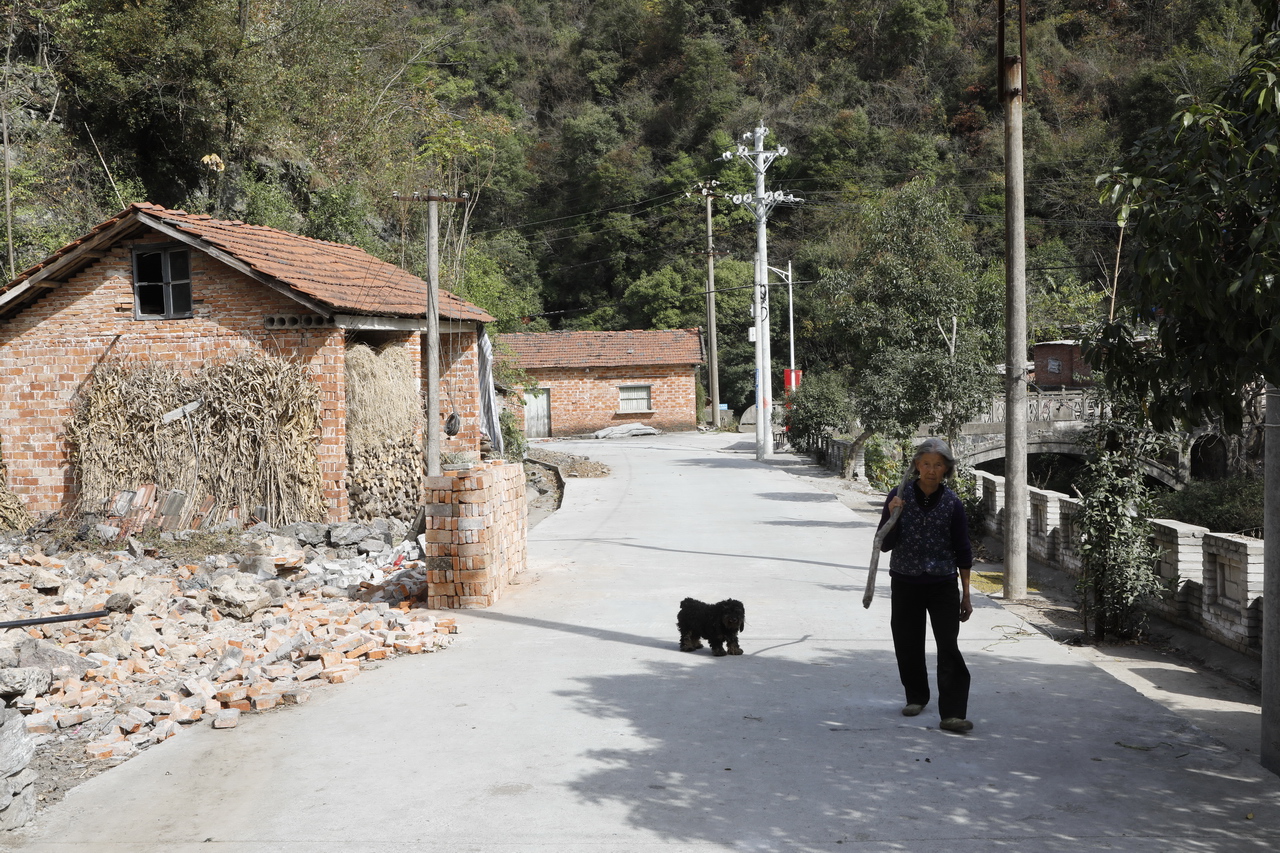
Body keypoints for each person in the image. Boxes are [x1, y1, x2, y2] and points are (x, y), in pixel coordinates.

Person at [876, 437, 974, 733]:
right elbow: (884, 544)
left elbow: (963, 549)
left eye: (938, 465)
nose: (931, 470)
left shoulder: (953, 503)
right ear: (917, 465)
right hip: (905, 581)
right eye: (926, 464)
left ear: (947, 470)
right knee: (907, 642)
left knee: (948, 646)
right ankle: (916, 696)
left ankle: (953, 714)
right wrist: (894, 514)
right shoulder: (898, 495)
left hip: (943, 583)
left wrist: (966, 594)